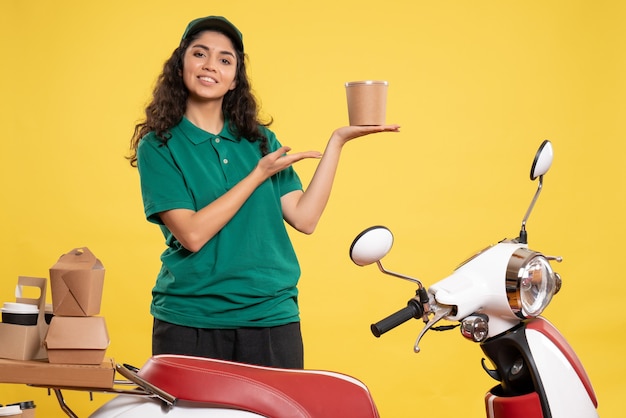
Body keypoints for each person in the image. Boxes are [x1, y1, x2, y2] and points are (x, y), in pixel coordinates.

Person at [128, 15, 399, 369]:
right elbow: (192, 234)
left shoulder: (259, 141)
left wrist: (337, 142)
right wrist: (257, 175)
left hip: (271, 316)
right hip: (190, 319)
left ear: (234, 80)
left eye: (225, 60)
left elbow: (305, 218)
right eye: (200, 54)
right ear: (180, 65)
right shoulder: (159, 146)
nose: (211, 66)